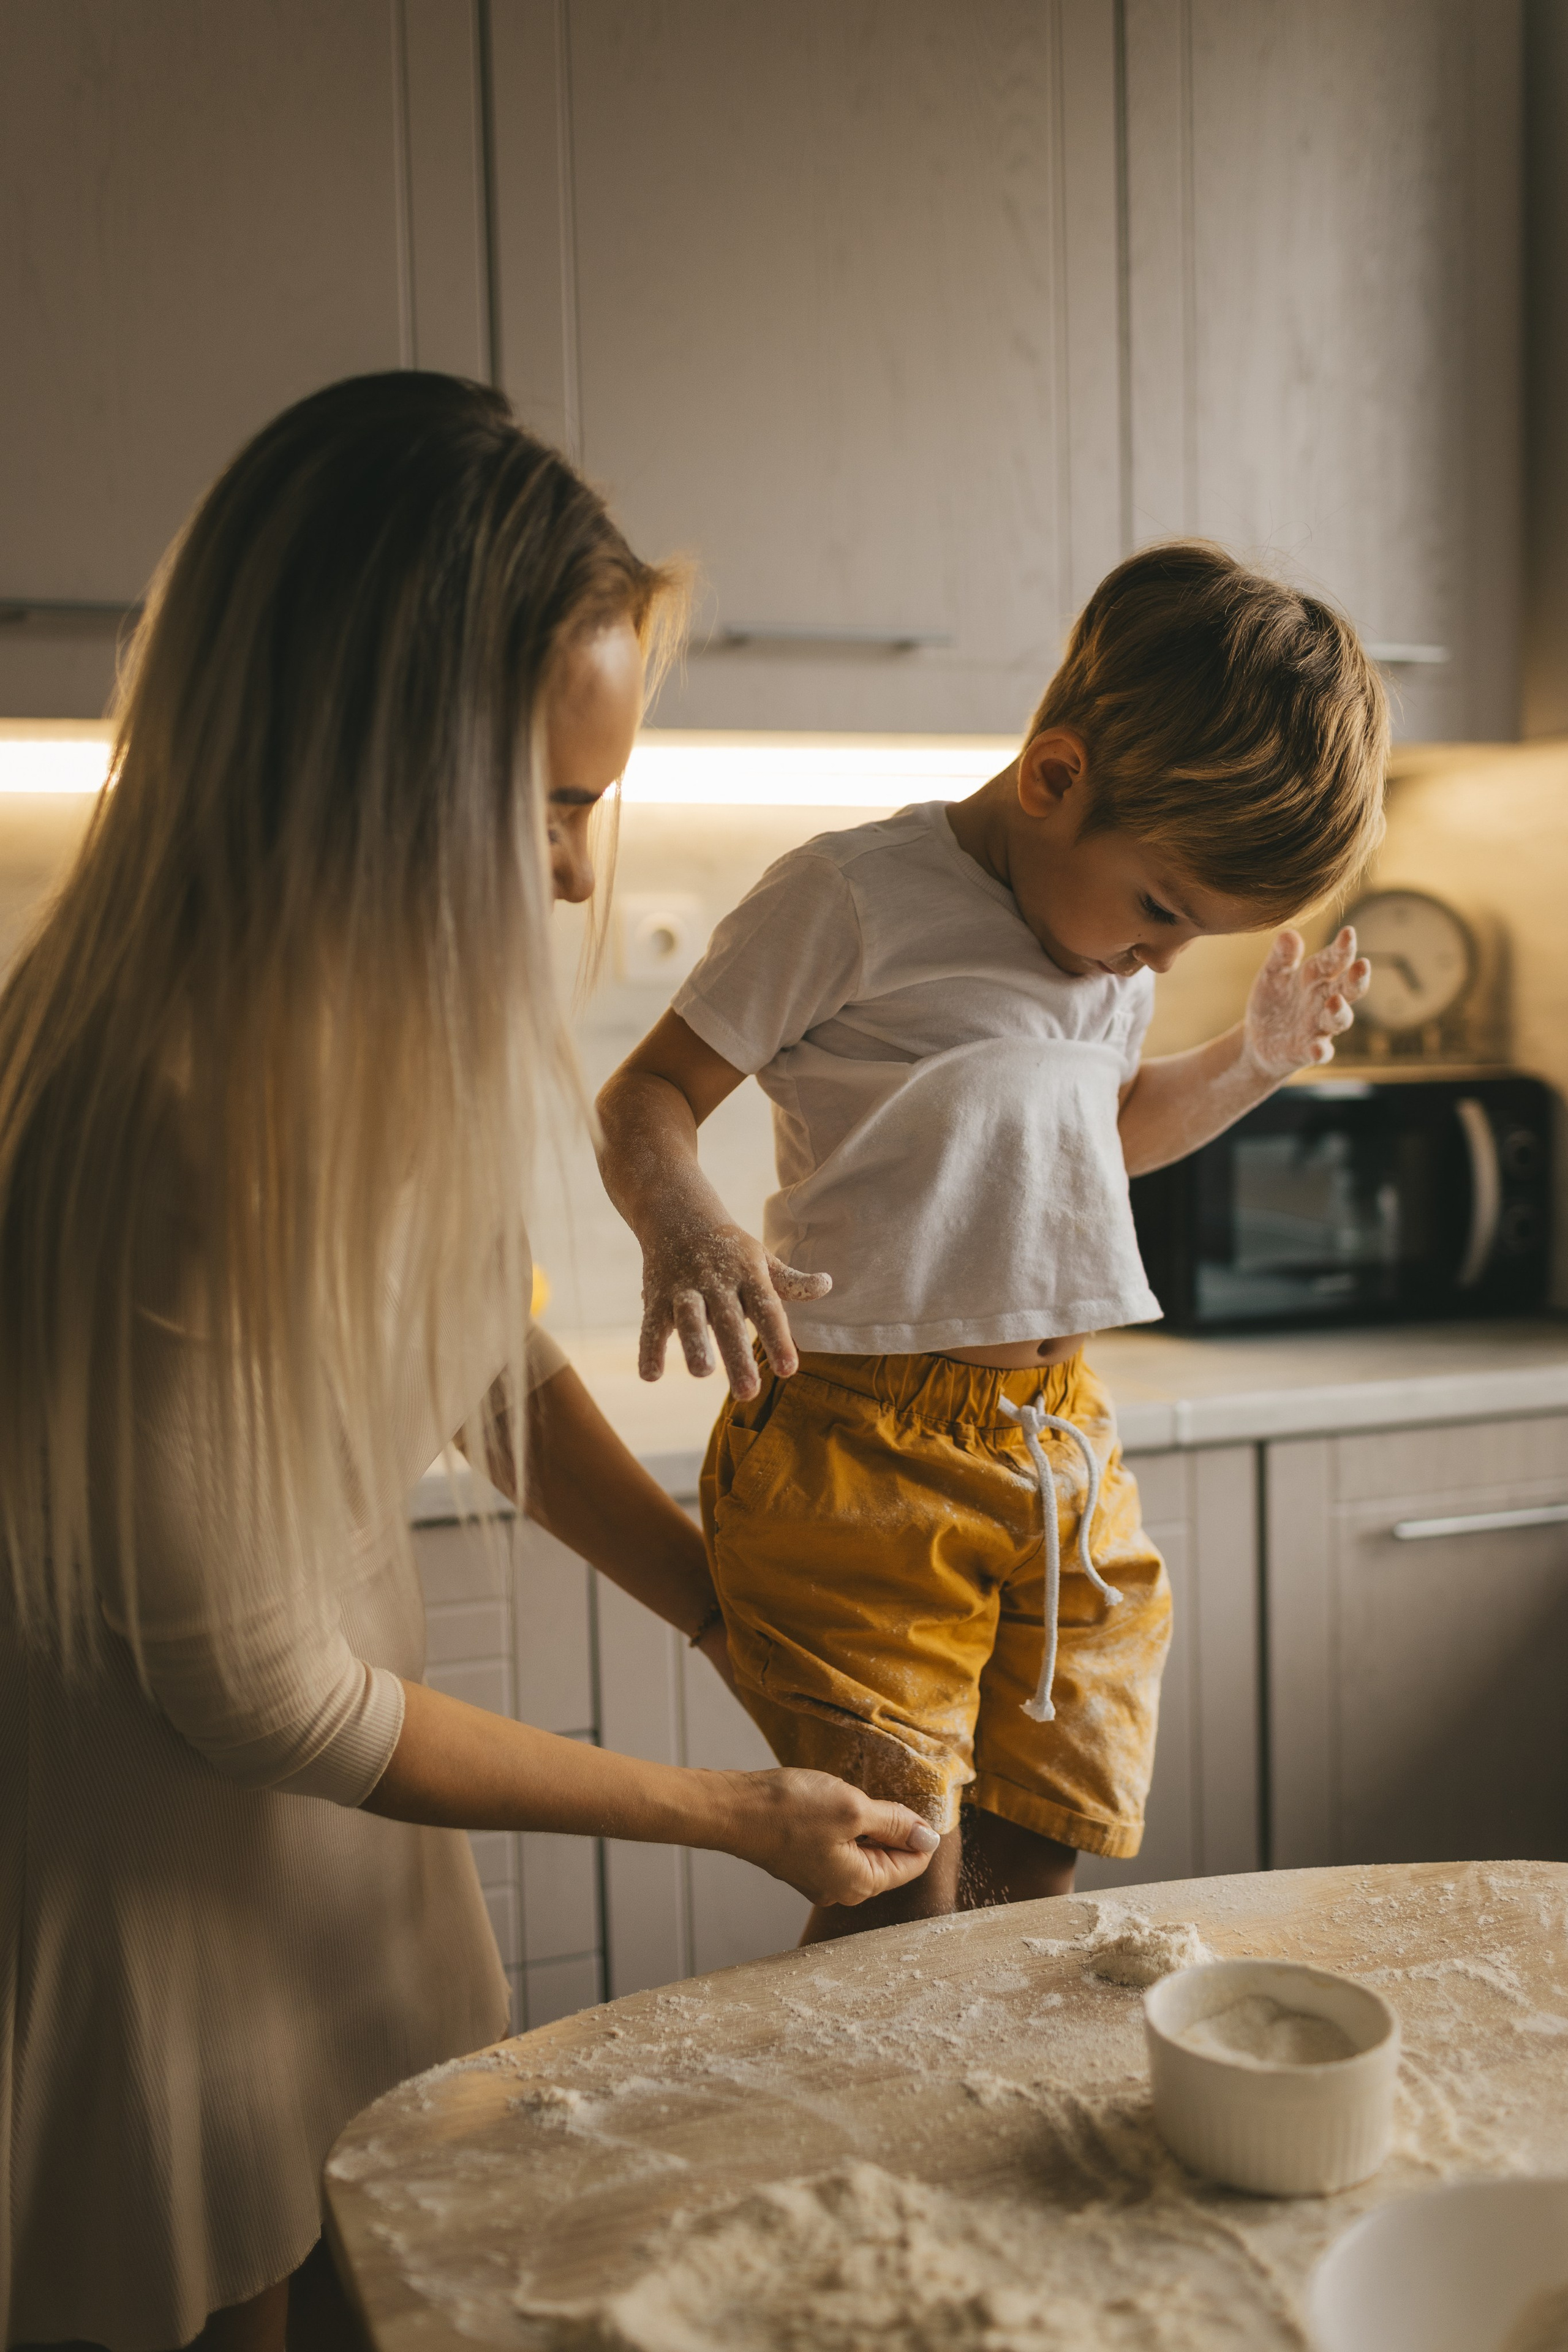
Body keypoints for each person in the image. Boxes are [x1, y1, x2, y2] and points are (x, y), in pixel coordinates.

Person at [0, 372, 938, 2352]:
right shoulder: (150, 1102)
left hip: (317, 1884)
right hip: (156, 1914)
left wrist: (727, 1624)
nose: (585, 874)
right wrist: (722, 1814)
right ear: (376, 773)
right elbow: (258, 1691)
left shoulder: (317, 1020)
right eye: (555, 806)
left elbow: (472, 1359)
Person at [596, 542, 1387, 1947]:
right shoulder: (846, 900)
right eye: (1158, 912)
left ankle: (975, 2138)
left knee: (1038, 1861)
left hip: (1057, 1448)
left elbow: (1101, 1137)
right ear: (1052, 779)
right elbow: (645, 1096)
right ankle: (877, 2143)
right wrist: (687, 1220)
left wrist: (1249, 1061)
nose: (1151, 963)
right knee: (896, 1878)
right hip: (861, 1454)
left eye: (1188, 941)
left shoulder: (1097, 954)